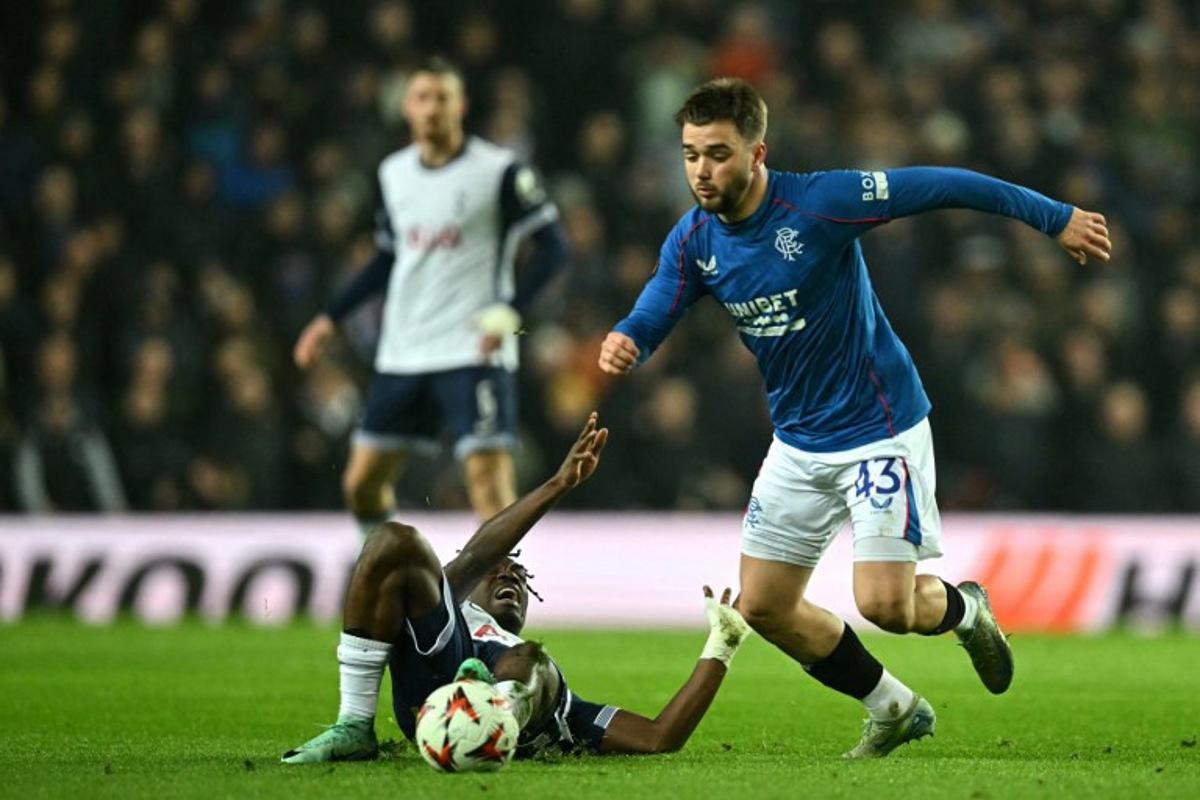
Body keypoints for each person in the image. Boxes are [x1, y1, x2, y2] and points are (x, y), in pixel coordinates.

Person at [598, 78, 1112, 758]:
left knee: (886, 608)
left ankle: (964, 609)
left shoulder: (818, 203)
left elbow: (942, 184)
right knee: (764, 607)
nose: (700, 170)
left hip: (879, 430)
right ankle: (894, 707)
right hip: (798, 443)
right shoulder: (693, 240)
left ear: (757, 153)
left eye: (717, 154)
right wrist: (631, 336)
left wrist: (1053, 216)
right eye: (691, 154)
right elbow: (660, 302)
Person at [282, 413, 752, 763]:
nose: (507, 574)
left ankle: (497, 715)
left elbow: (658, 736)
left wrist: (723, 643)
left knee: (536, 660)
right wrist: (559, 483)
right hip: (434, 683)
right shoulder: (455, 616)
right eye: (498, 572)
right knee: (391, 540)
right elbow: (477, 555)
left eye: (519, 575)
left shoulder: (564, 704)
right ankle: (354, 725)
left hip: (524, 706)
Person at [293, 56, 570, 533]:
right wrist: (330, 317)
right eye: (422, 98)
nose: (432, 108)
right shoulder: (393, 174)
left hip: (473, 347)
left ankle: (506, 600)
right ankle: (382, 576)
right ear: (407, 107)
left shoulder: (499, 171)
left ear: (461, 105)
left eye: (443, 97)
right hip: (406, 350)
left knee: (487, 480)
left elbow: (553, 247)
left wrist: (510, 313)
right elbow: (386, 257)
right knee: (362, 483)